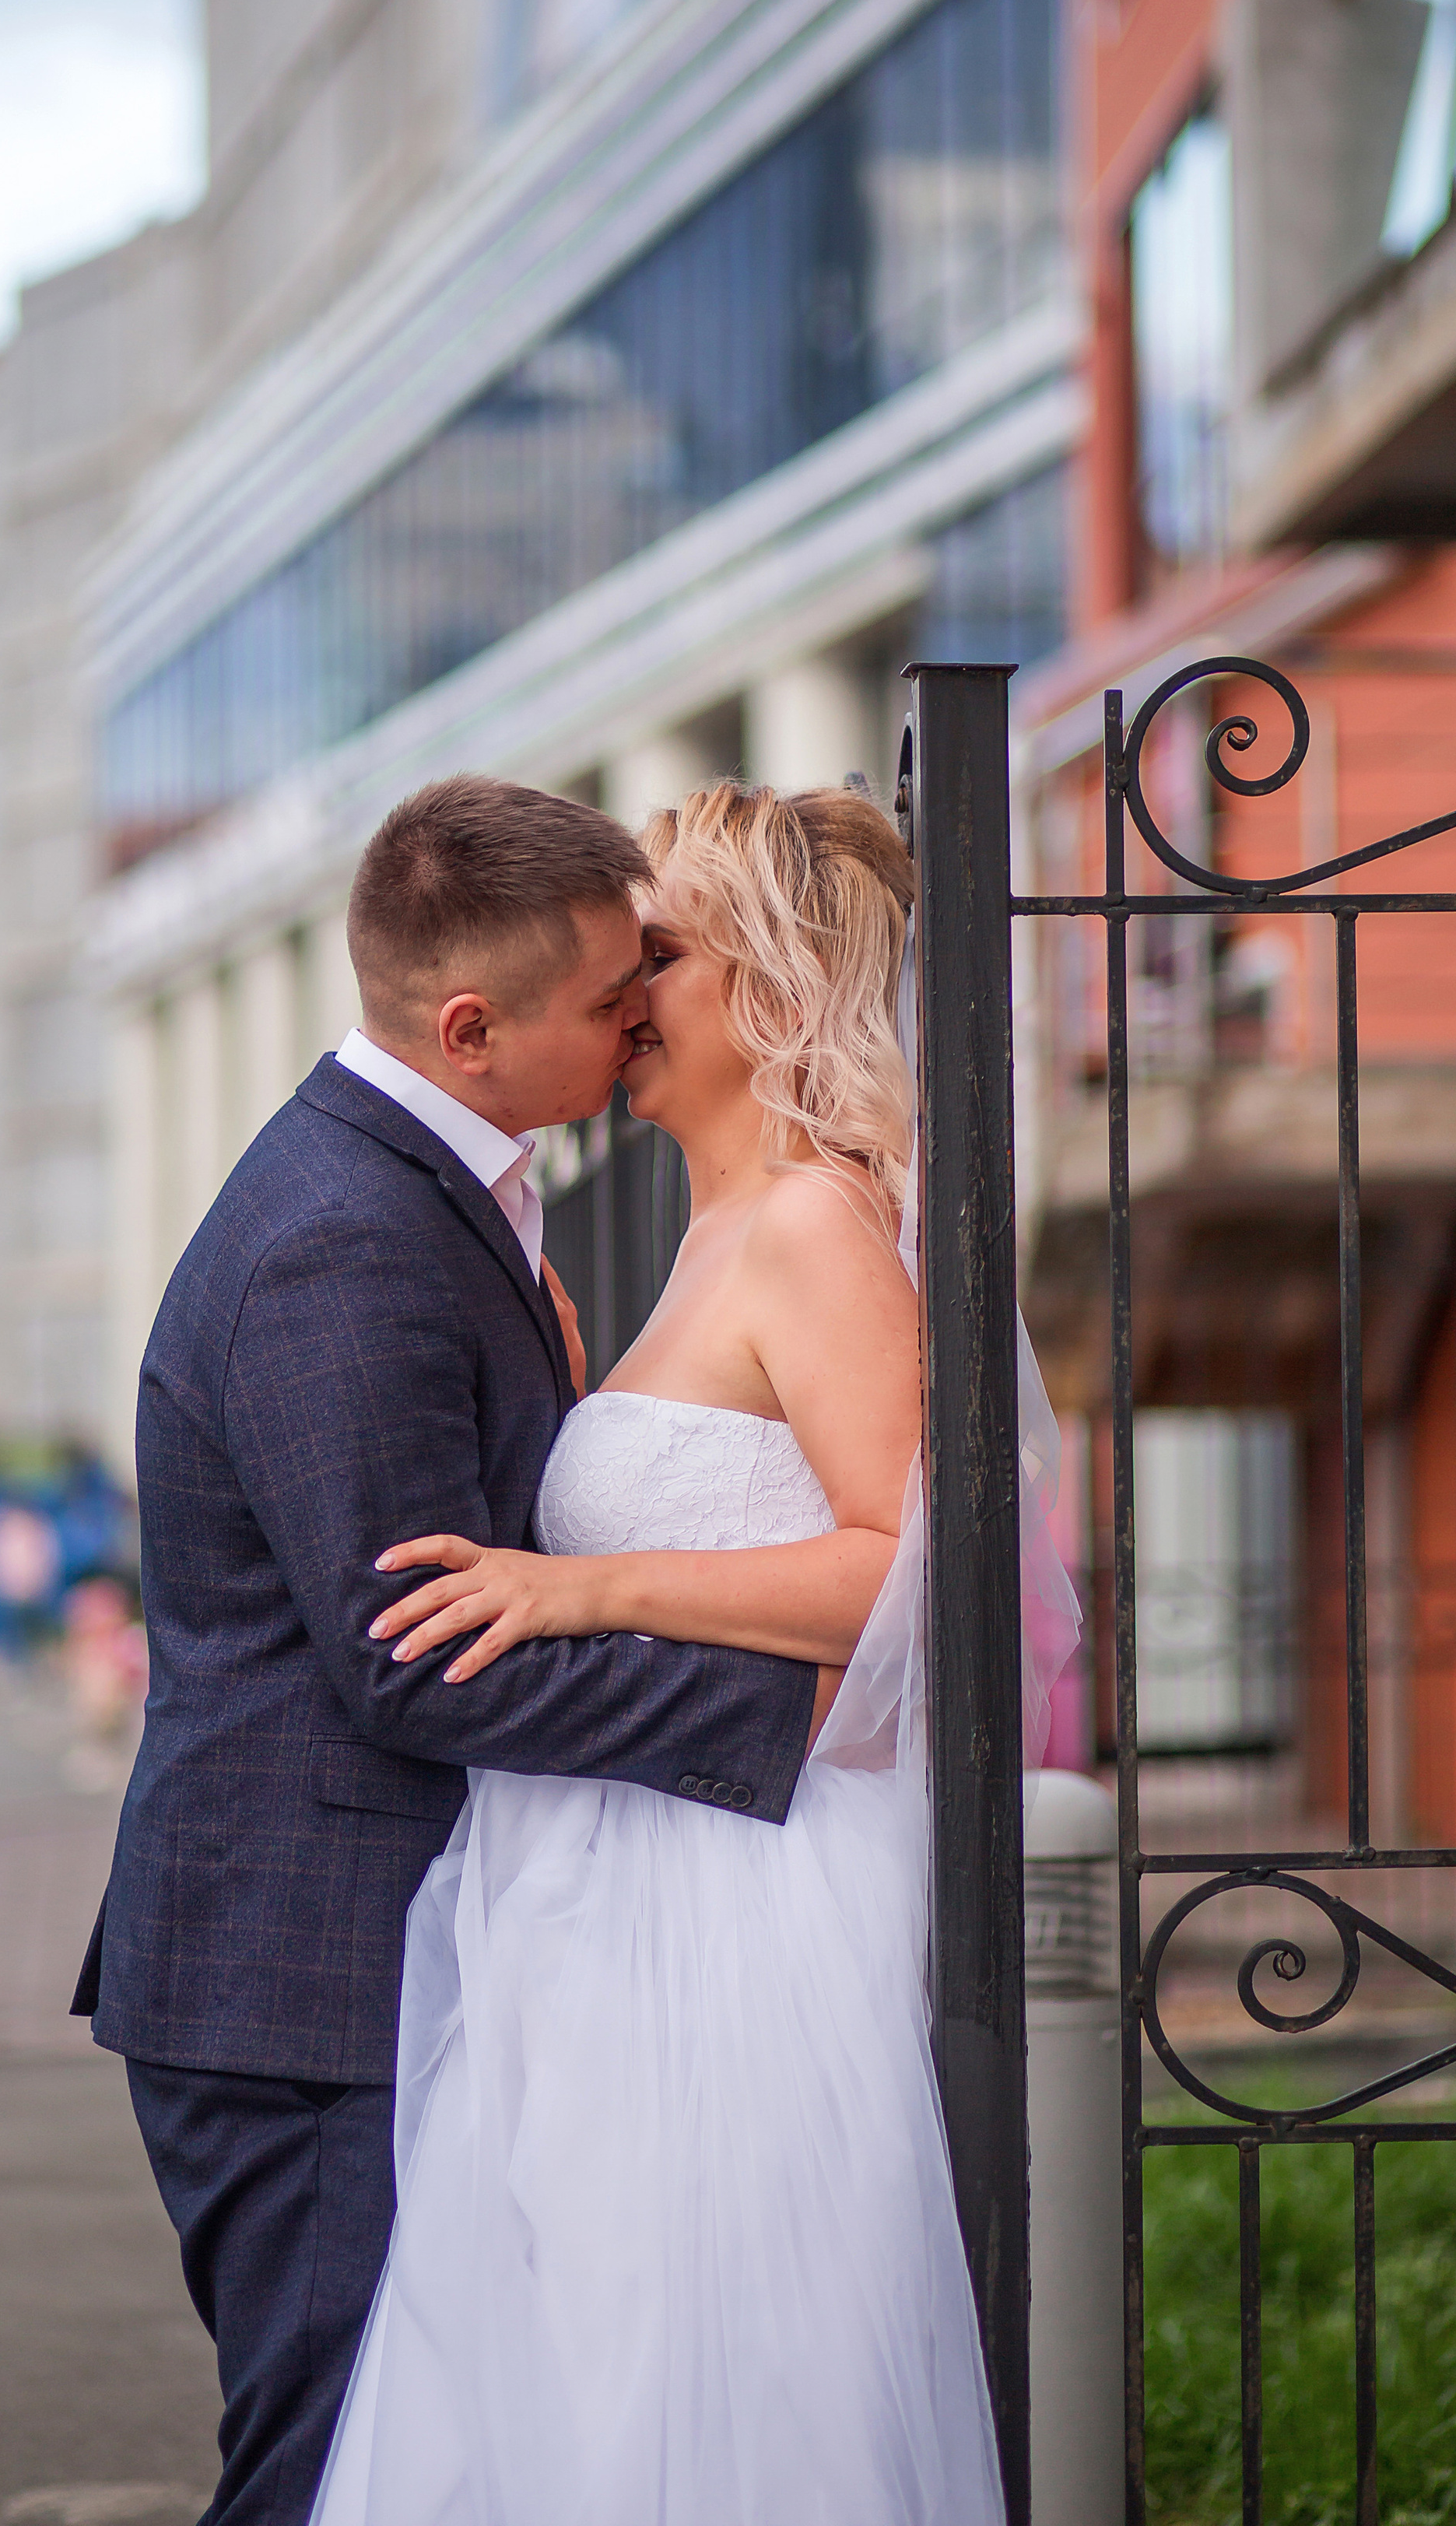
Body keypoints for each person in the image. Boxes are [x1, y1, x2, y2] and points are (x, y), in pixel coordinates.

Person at [72, 776, 823, 2524]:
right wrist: (800, 1707)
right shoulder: (345, 1240)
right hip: (305, 1983)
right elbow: (418, 1657)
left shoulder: (435, 1188)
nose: (644, 1006)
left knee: (440, 2455)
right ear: (470, 1027)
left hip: (366, 1949)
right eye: (608, 992)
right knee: (339, 2468)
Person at [309, 780, 1012, 2526]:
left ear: (766, 987)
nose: (626, 1001)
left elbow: (906, 1580)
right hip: (606, 1887)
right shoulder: (700, 1235)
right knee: (572, 2379)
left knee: (706, 2379)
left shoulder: (813, 1229)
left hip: (738, 1905)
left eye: (660, 961)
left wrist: (589, 1589)